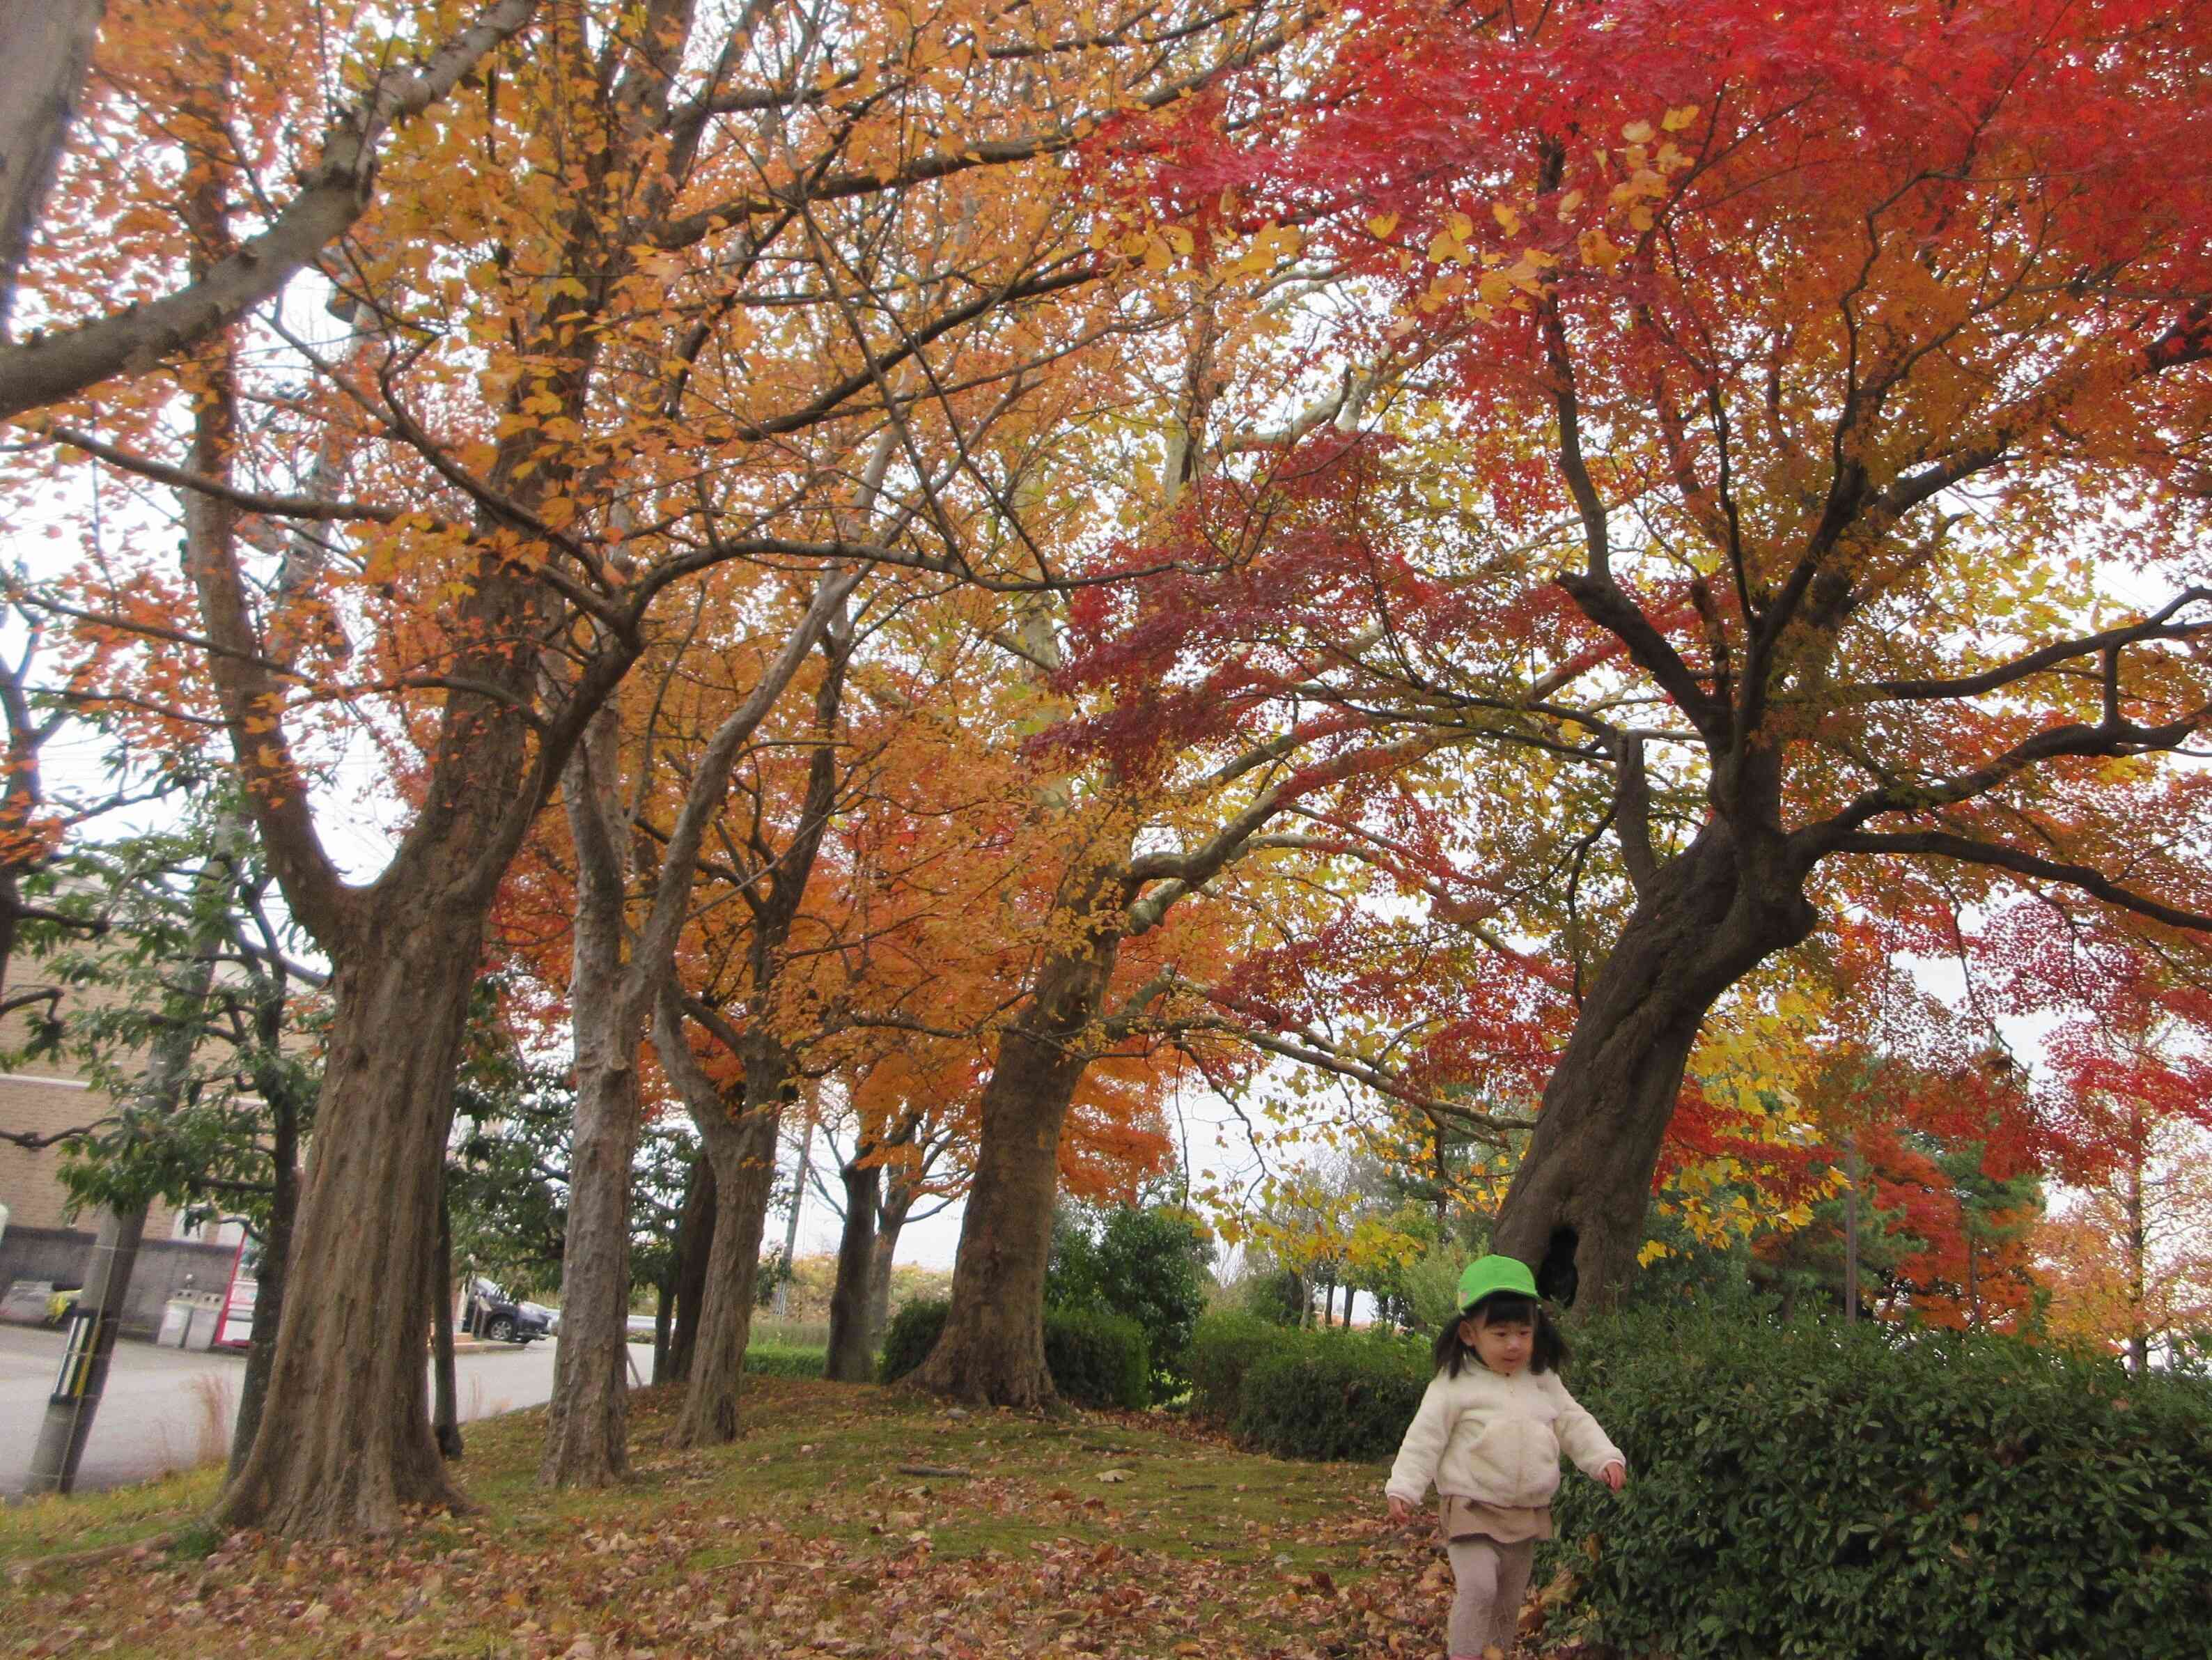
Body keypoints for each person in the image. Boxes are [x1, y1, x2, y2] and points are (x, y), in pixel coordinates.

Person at [1385, 1255, 1627, 1660]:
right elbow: (1424, 1438)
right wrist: (1404, 1488)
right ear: (1468, 1334)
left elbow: (1573, 1422)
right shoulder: (1454, 1385)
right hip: (1471, 1506)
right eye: (1499, 1333)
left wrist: (1604, 1458)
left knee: (1508, 1599)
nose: (1514, 1344)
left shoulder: (1543, 1381)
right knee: (1479, 1587)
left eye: (1523, 1332)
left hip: (1526, 1511)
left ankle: (1496, 1652)